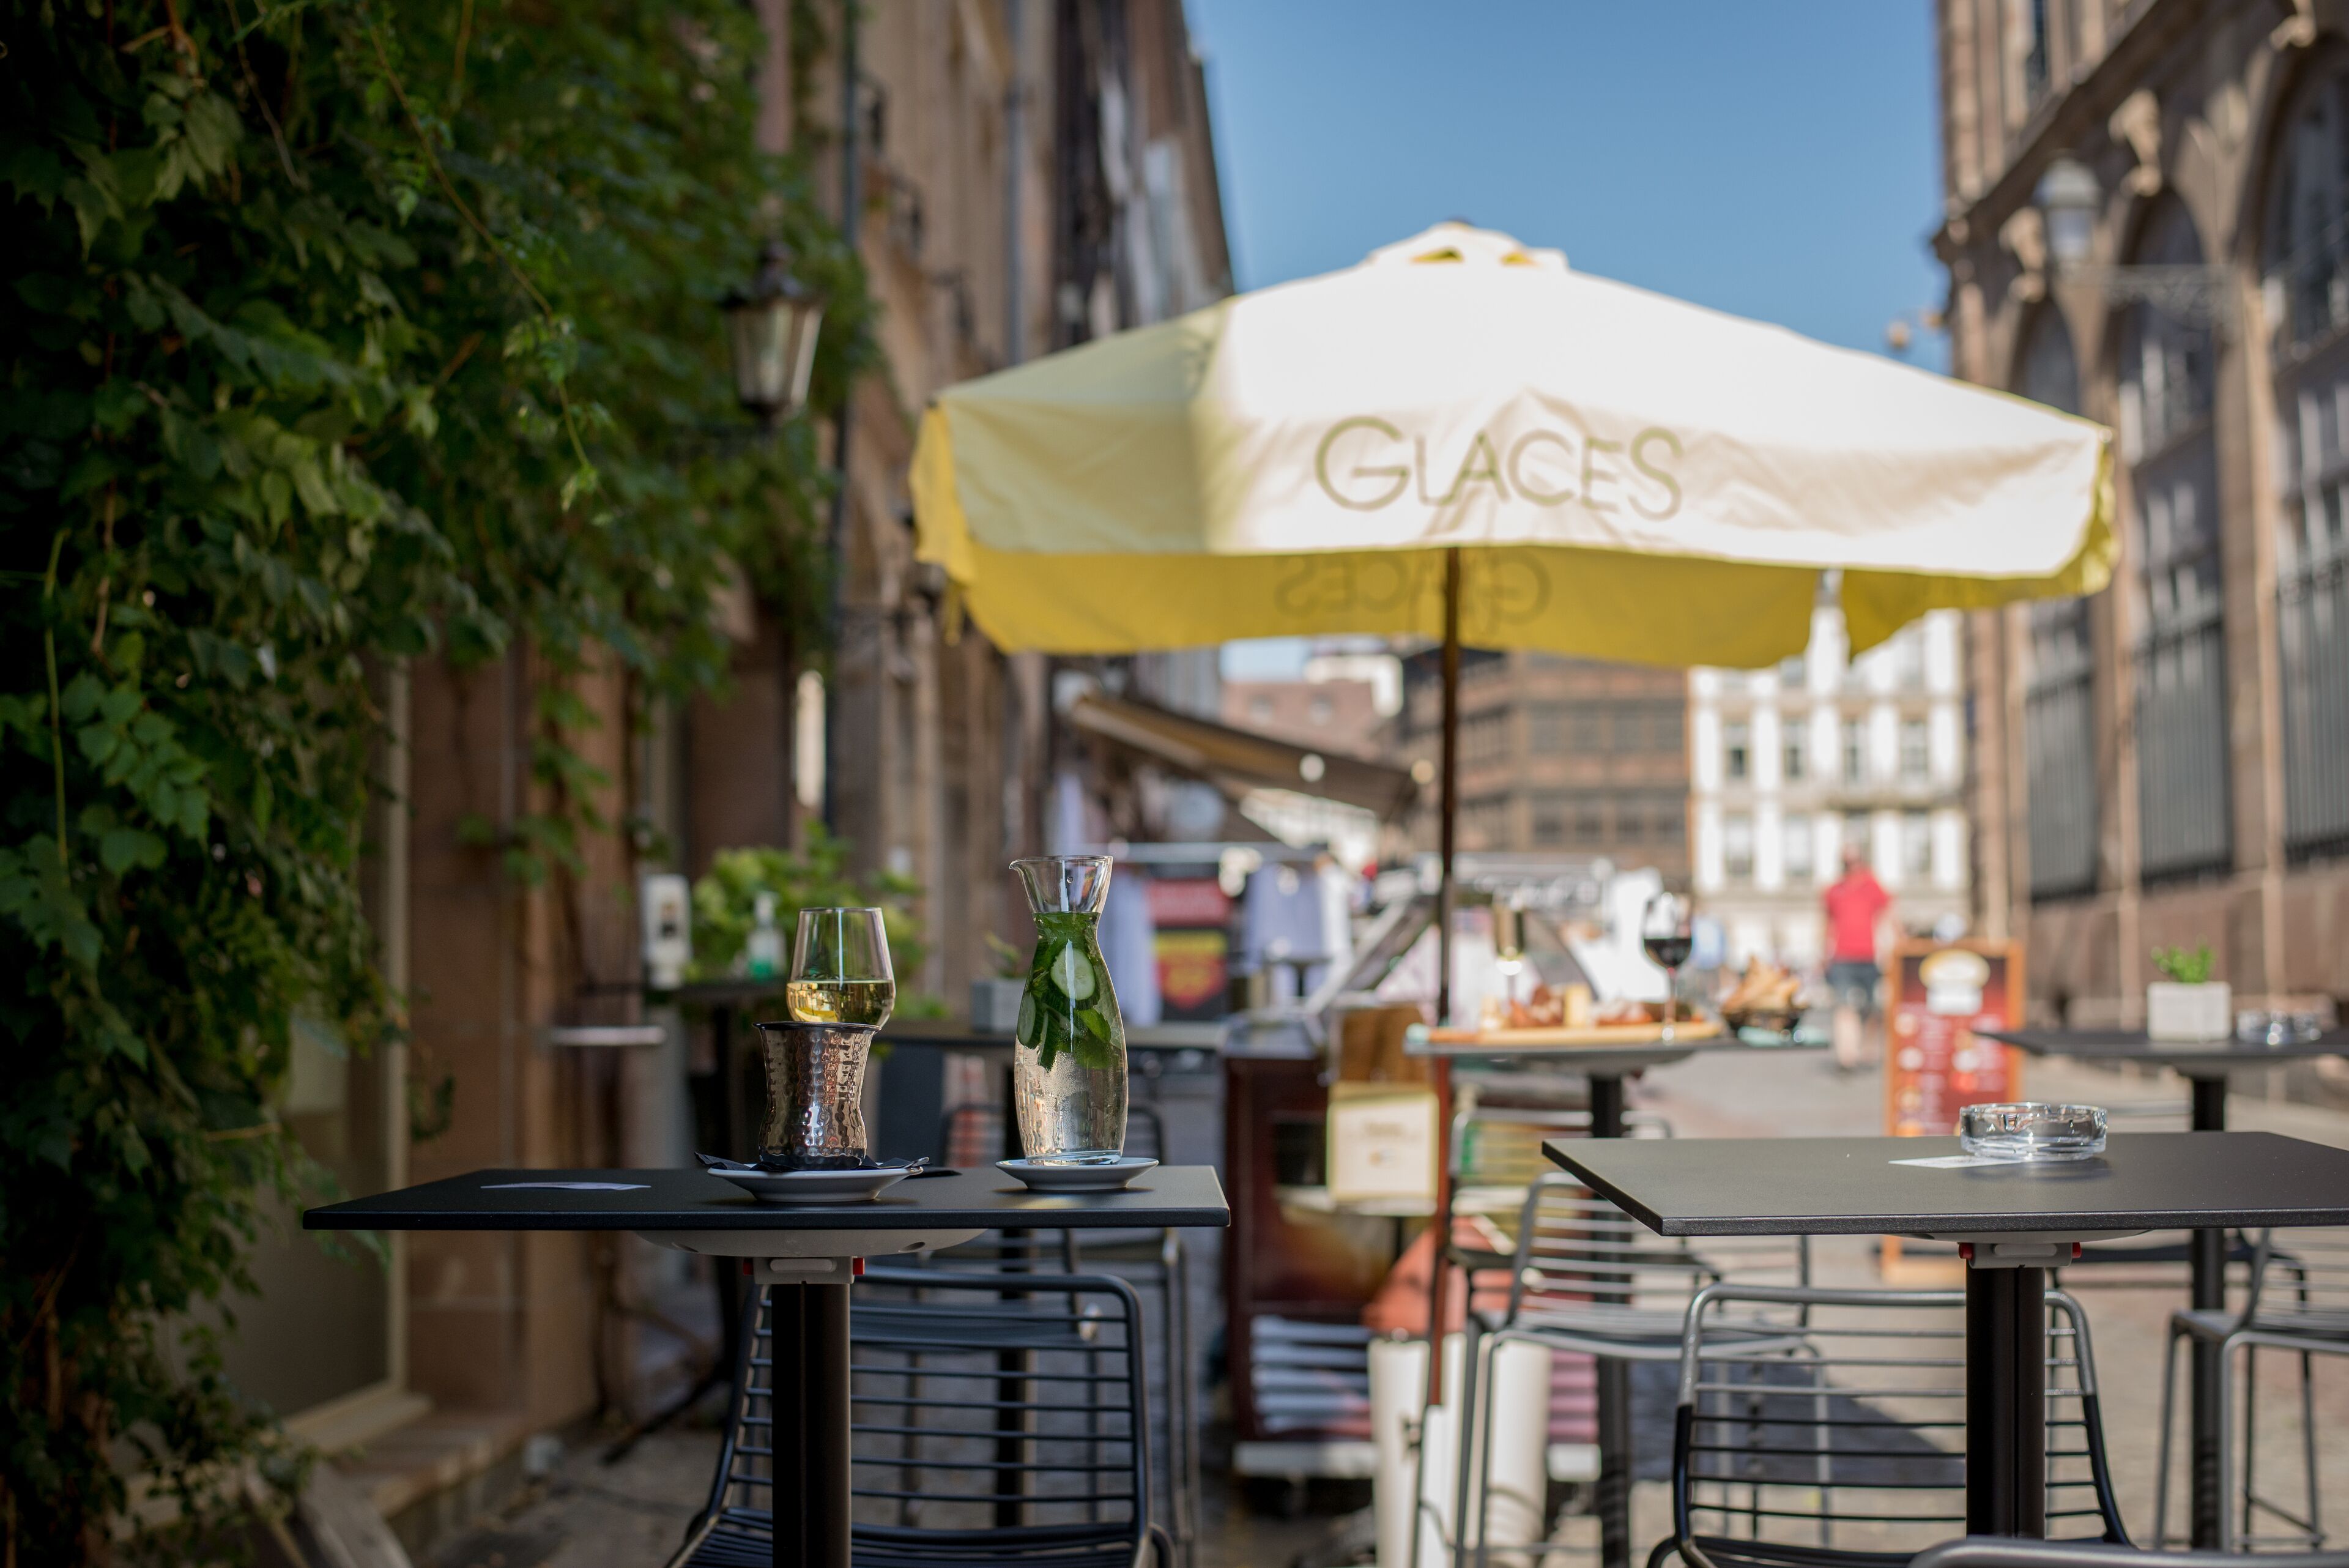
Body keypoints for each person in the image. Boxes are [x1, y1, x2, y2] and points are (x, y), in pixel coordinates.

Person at [1821, 843, 1891, 1072]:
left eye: (1855, 861)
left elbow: (1888, 915)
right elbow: (1826, 923)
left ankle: (1869, 1050)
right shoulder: (1833, 890)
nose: (1851, 867)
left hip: (1870, 957)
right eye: (1847, 863)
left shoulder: (1873, 886)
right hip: (1842, 956)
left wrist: (1894, 947)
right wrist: (1823, 952)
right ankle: (1847, 1056)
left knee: (1871, 1009)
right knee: (1843, 1006)